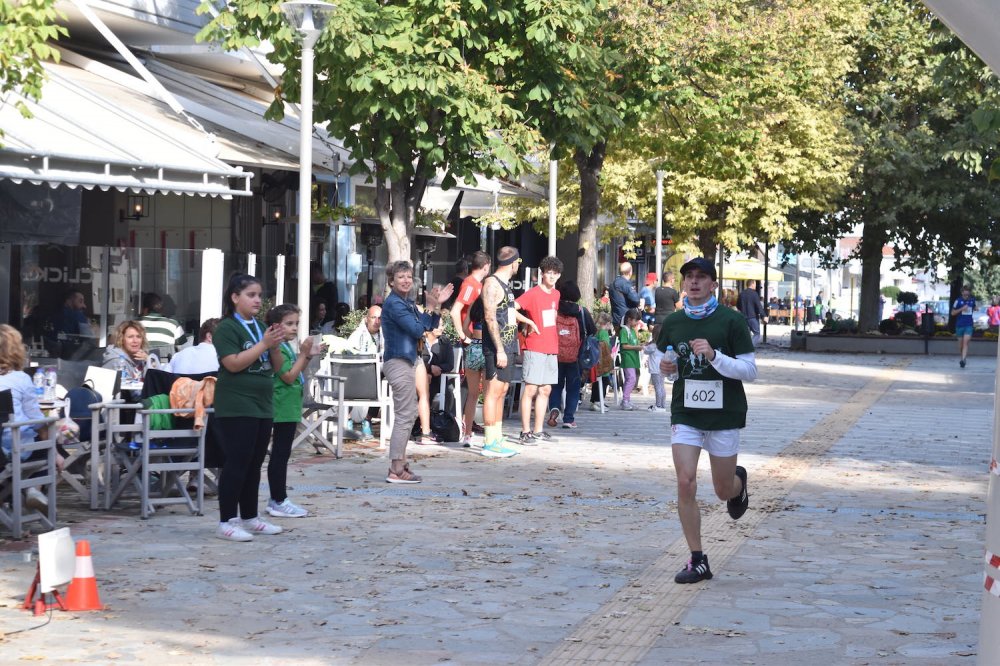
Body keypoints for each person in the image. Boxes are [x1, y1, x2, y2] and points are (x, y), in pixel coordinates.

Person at [657, 257, 756, 584]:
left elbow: (750, 371)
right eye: (689, 277)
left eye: (702, 277)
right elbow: (660, 356)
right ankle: (697, 559)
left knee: (721, 490)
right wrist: (664, 367)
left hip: (725, 413)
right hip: (685, 412)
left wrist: (716, 356)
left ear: (713, 284)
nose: (694, 282)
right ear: (684, 284)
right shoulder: (674, 322)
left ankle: (737, 485)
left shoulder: (731, 321)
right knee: (685, 481)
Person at [213, 273, 286, 542]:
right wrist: (264, 344)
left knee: (255, 463)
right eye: (251, 295)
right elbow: (232, 363)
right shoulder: (227, 328)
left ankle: (250, 516)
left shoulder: (259, 326)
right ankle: (226, 520)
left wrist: (274, 346)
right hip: (236, 404)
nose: (257, 300)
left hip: (262, 403)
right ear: (235, 298)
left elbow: (277, 368)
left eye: (259, 295)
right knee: (237, 462)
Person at [381, 261, 453, 483]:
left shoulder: (407, 302)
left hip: (410, 359)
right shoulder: (394, 304)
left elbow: (429, 325)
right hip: (398, 361)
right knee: (405, 414)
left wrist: (436, 307)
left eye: (409, 276)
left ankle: (400, 463)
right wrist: (430, 308)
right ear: (391, 281)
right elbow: (416, 329)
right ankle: (395, 468)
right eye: (401, 277)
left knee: (409, 412)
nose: (406, 280)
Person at [265, 304, 321, 519]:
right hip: (280, 405)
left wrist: (306, 356)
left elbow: (295, 372)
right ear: (276, 326)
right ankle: (277, 499)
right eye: (289, 324)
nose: (294, 328)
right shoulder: (276, 347)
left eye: (296, 323)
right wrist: (304, 355)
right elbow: (287, 376)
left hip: (289, 404)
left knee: (283, 453)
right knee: (279, 454)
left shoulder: (287, 346)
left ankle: (279, 498)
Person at [481, 246, 538, 457]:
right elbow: (490, 316)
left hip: (509, 342)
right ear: (512, 263)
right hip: (497, 345)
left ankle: (497, 435)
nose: (518, 266)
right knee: (493, 391)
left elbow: (510, 312)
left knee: (503, 391)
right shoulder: (492, 284)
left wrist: (528, 320)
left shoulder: (505, 285)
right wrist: (499, 349)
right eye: (517, 263)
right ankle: (489, 441)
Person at [0, 324, 62, 511]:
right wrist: (56, 448)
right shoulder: (20, 379)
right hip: (12, 449)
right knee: (47, 434)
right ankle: (33, 488)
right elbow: (37, 420)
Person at [514, 256, 562, 444]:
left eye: (555, 273)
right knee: (531, 389)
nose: (551, 276)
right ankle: (525, 431)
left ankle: (538, 430)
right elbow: (513, 307)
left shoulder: (556, 295)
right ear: (542, 274)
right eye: (548, 272)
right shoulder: (532, 293)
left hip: (551, 346)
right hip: (535, 346)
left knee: (546, 390)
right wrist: (528, 321)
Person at [449, 250, 491, 446]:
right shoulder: (470, 285)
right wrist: (462, 335)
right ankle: (472, 432)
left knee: (475, 392)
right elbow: (456, 310)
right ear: (486, 266)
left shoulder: (477, 285)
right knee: (478, 392)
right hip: (475, 342)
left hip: (475, 341)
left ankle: (469, 431)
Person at [547, 280, 596, 429]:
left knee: (556, 385)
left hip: (555, 354)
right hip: (576, 356)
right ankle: (568, 419)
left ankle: (554, 409)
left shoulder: (555, 310)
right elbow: (592, 331)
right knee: (573, 388)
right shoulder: (582, 311)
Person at [344, 305, 382, 439]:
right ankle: (348, 420)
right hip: (357, 372)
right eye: (373, 317)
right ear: (366, 319)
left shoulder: (384, 335)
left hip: (375, 372)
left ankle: (367, 420)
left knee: (382, 382)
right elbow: (350, 353)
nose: (377, 321)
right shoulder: (358, 334)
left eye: (379, 318)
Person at [588, 312, 614, 410]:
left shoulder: (597, 332)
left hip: (596, 361)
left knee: (596, 381)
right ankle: (599, 401)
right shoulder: (604, 333)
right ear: (607, 323)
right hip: (603, 362)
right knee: (604, 381)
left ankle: (594, 401)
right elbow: (605, 347)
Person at [618, 309, 642, 410]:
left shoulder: (632, 330)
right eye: (636, 320)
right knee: (631, 379)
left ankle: (627, 399)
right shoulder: (624, 330)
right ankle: (625, 400)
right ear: (629, 320)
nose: (637, 323)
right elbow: (624, 346)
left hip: (633, 358)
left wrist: (641, 345)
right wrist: (637, 347)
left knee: (632, 379)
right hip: (628, 358)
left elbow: (633, 343)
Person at [609, 262, 641, 328]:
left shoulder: (613, 283)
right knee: (630, 338)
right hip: (628, 319)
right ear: (630, 272)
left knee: (619, 337)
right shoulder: (625, 284)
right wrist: (641, 301)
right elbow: (636, 299)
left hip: (616, 318)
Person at [951, 284, 976, 368]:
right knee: (961, 345)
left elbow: (974, 307)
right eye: (964, 294)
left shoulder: (972, 300)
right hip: (959, 325)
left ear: (969, 293)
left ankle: (963, 360)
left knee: (965, 342)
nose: (966, 295)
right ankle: (962, 357)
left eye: (967, 294)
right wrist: (962, 309)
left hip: (969, 325)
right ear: (962, 293)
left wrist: (976, 308)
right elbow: (952, 313)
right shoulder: (958, 301)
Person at [737, 280, 766, 346]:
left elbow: (738, 305)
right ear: (752, 284)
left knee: (747, 335)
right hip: (753, 317)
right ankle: (750, 348)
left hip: (743, 317)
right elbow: (758, 306)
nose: (756, 286)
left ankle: (745, 349)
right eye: (755, 284)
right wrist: (763, 316)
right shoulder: (754, 294)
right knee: (757, 334)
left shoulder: (742, 294)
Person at [653, 271, 681, 335]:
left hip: (658, 319)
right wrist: (682, 296)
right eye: (674, 278)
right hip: (669, 318)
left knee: (658, 339)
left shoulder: (657, 290)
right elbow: (679, 306)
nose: (674, 280)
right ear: (671, 280)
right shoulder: (673, 292)